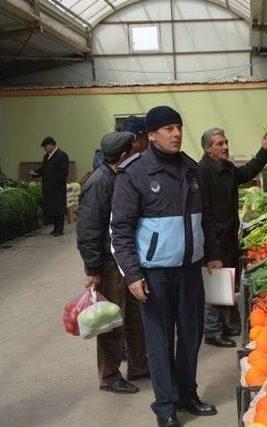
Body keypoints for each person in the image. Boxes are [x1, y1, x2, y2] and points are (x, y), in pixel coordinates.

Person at [110, 106, 218, 427]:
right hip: (154, 274)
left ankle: (187, 394)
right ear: (152, 135)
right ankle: (166, 406)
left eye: (179, 127)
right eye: (168, 128)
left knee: (190, 336)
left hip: (189, 271)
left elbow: (206, 218)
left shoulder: (191, 169)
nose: (176, 133)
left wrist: (211, 252)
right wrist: (132, 274)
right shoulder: (134, 174)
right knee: (159, 342)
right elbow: (121, 229)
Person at [76, 131, 148, 395]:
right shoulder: (99, 183)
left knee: (134, 316)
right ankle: (109, 375)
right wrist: (93, 269)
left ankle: (139, 365)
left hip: (124, 258)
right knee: (111, 320)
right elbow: (88, 230)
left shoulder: (119, 177)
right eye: (134, 149)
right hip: (108, 263)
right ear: (123, 155)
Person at [198, 127, 267, 347]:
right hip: (214, 235)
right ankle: (212, 331)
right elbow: (204, 211)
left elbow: (247, 172)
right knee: (216, 282)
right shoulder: (203, 171)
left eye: (226, 142)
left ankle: (227, 325)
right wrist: (212, 238)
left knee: (227, 280)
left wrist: (264, 151)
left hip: (228, 233)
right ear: (207, 148)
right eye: (219, 144)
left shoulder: (227, 168)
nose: (225, 147)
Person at [29, 136, 69, 236]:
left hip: (57, 188)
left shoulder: (62, 155)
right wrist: (35, 173)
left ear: (52, 144)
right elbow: (44, 169)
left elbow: (63, 173)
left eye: (46, 146)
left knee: (58, 209)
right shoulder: (47, 156)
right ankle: (55, 228)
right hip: (48, 188)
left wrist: (53, 181)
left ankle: (59, 230)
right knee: (52, 208)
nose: (45, 149)